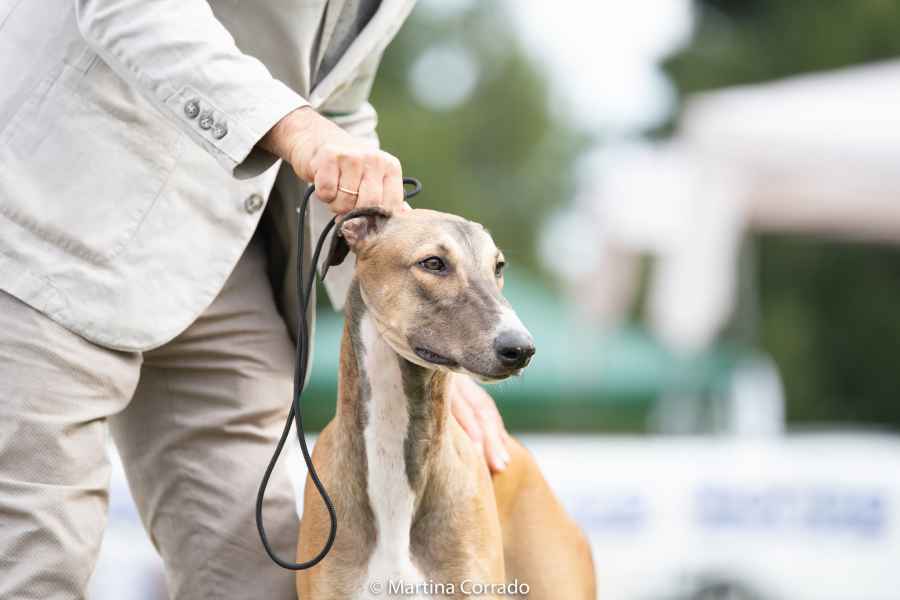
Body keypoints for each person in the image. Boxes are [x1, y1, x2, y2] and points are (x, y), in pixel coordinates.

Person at [0, 2, 512, 598]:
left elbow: (336, 103)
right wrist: (300, 129)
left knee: (255, 580)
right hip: (52, 217)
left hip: (230, 256)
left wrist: (411, 333)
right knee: (36, 569)